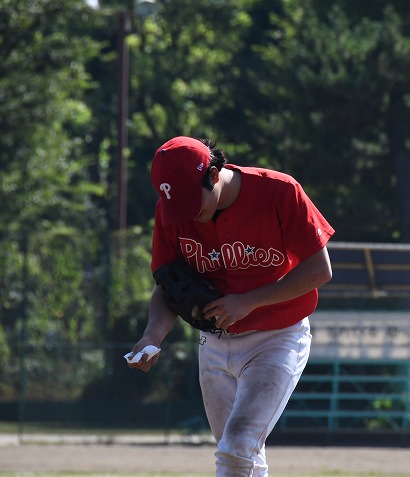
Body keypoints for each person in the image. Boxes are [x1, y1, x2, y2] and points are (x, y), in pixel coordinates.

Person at [127, 136, 335, 476]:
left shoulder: (279, 191)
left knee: (236, 447)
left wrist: (249, 301)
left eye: (191, 202)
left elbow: (319, 270)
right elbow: (169, 287)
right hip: (213, 342)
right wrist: (152, 336)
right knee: (241, 455)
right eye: (177, 205)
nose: (187, 214)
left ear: (212, 175)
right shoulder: (171, 211)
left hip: (277, 338)